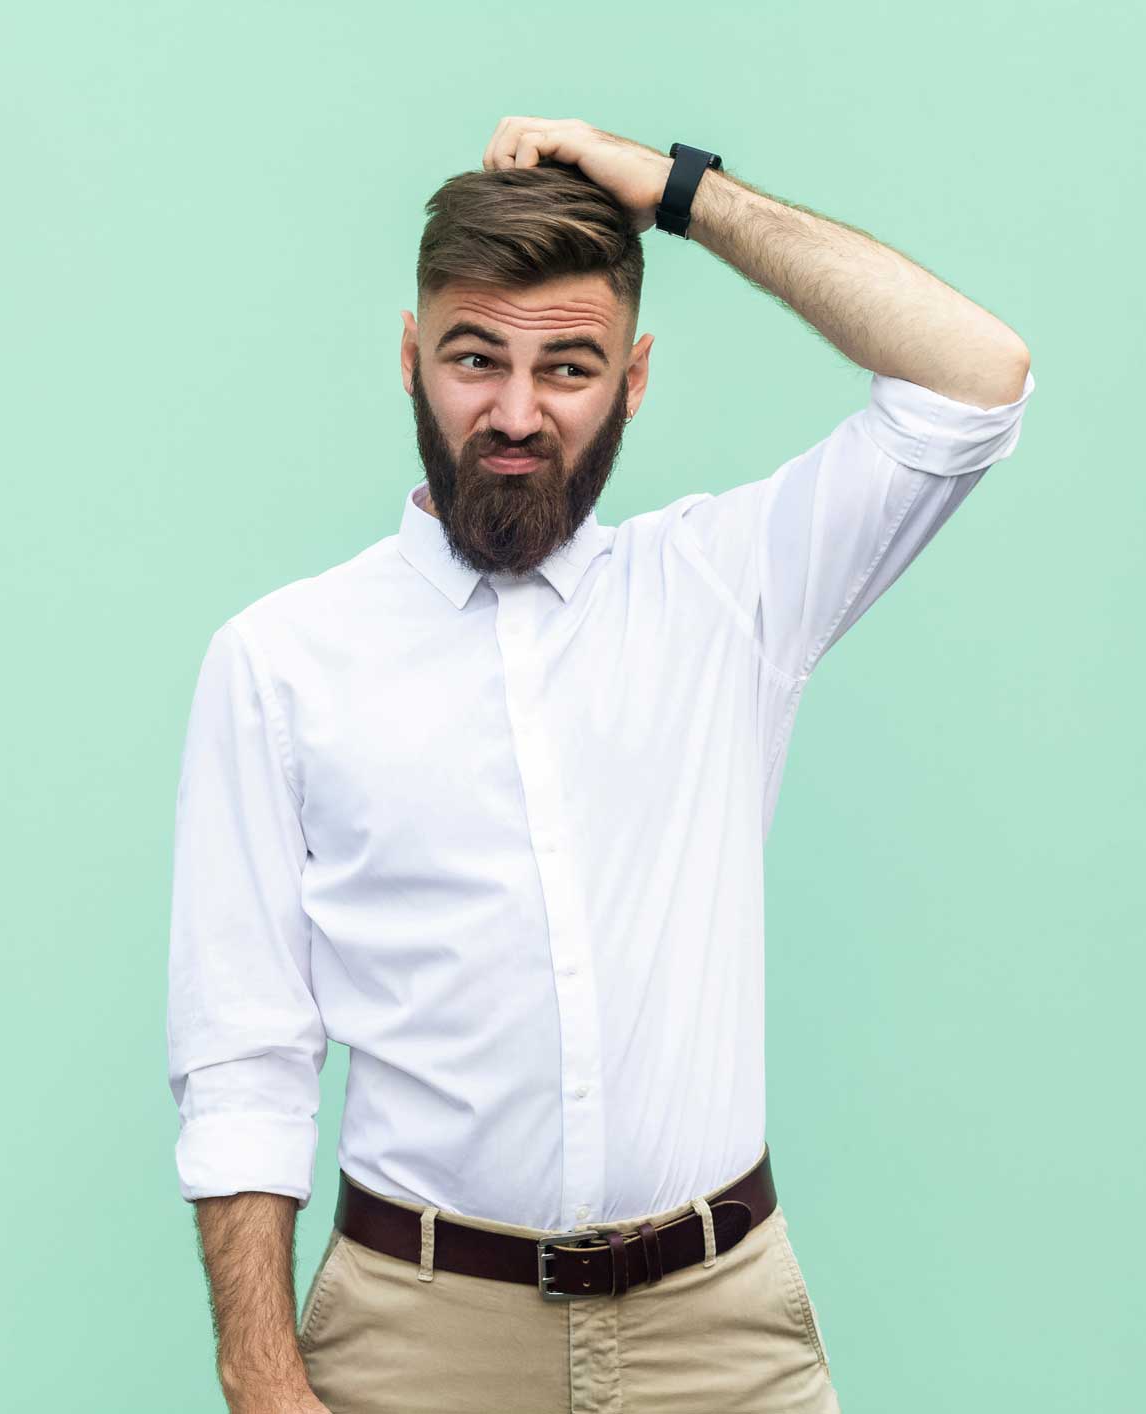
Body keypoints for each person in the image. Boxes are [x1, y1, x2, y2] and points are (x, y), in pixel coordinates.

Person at [167, 116, 1035, 1414]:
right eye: (475, 359)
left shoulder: (729, 591)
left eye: (565, 367)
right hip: (414, 1341)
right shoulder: (280, 660)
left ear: (630, 382)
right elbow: (243, 1054)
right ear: (412, 360)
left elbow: (973, 379)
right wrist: (260, 1374)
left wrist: (680, 194)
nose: (514, 413)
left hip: (718, 1334)